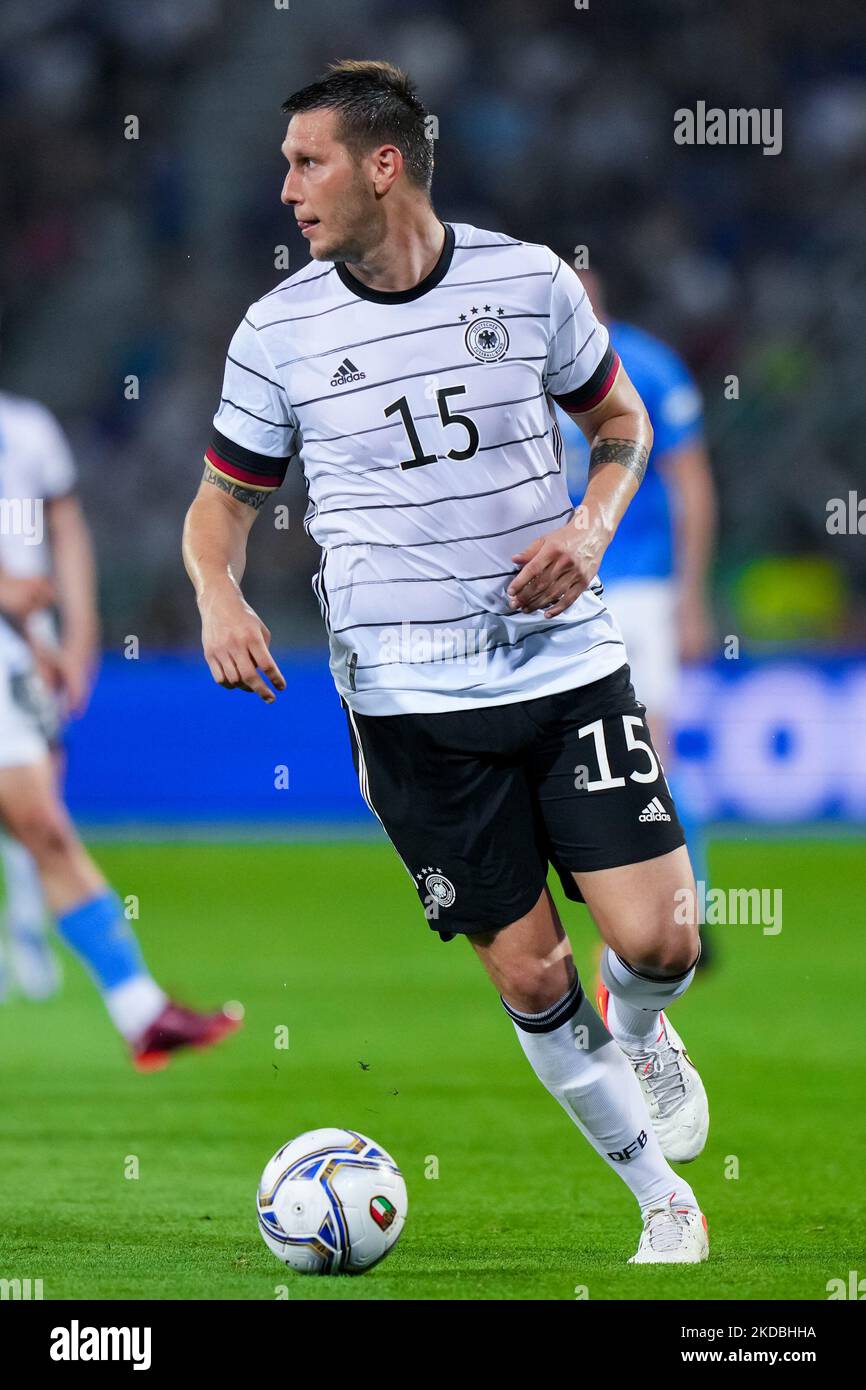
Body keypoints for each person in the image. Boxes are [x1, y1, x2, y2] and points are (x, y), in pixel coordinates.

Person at [183, 60, 709, 1262]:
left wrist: (586, 534)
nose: (285, 190)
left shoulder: (528, 283)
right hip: (408, 704)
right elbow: (221, 506)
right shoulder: (276, 332)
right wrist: (217, 591)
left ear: (383, 166)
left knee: (660, 942)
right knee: (530, 976)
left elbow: (620, 425)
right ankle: (660, 1201)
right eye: (283, 165)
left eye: (306, 163)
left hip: (562, 666)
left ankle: (641, 1028)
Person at [0, 388, 241, 1067]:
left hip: (17, 648)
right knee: (37, 824)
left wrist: (76, 634)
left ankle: (141, 1010)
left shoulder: (27, 427)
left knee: (41, 826)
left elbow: (66, 527)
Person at [554, 270, 717, 923]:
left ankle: (684, 904)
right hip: (557, 590)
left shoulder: (647, 366)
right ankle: (629, 906)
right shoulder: (525, 368)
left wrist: (690, 595)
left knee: (647, 751)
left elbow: (690, 484)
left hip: (640, 587)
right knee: (574, 759)